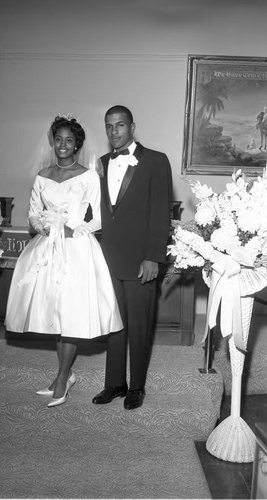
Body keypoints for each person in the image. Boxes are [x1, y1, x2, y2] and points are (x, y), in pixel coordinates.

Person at [5, 114, 123, 407]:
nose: (63, 145)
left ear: (77, 145)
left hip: (76, 249)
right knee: (55, 315)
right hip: (47, 248)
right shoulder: (42, 175)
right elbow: (33, 213)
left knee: (70, 314)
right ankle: (65, 374)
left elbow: (99, 218)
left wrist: (74, 229)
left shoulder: (88, 176)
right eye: (58, 139)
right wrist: (42, 226)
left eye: (69, 140)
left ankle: (61, 378)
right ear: (53, 141)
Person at [92, 105, 173, 410]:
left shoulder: (155, 160)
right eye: (109, 126)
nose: (114, 132)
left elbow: (160, 214)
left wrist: (153, 257)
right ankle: (114, 383)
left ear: (132, 126)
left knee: (139, 325)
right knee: (114, 324)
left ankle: (136, 387)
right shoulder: (100, 164)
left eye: (120, 125)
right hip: (107, 259)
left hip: (141, 260)